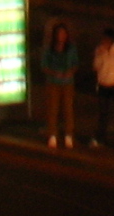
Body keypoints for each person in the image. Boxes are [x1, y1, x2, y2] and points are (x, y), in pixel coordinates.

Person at [38, 19, 79, 148]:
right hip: (53, 82)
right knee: (53, 109)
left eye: (64, 33)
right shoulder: (49, 49)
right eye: (59, 33)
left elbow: (75, 64)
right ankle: (52, 135)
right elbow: (44, 65)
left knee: (68, 109)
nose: (61, 36)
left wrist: (69, 72)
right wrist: (54, 73)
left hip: (68, 82)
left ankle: (68, 135)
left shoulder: (71, 48)